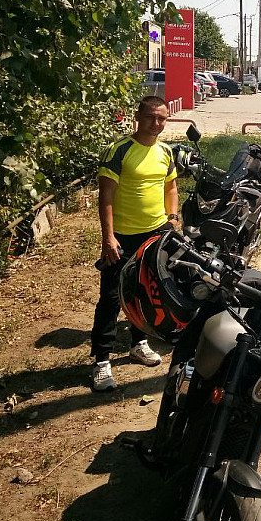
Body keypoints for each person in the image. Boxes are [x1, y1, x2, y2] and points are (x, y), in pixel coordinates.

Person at [92, 95, 179, 391]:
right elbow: (105, 197)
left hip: (155, 234)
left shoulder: (166, 151)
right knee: (112, 298)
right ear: (138, 117)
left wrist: (173, 217)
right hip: (123, 238)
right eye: (152, 117)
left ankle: (138, 343)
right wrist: (108, 237)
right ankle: (101, 361)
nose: (157, 123)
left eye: (162, 118)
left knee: (146, 294)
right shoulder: (119, 150)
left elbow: (171, 186)